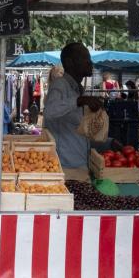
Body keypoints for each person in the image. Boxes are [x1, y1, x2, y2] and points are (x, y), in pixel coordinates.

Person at [44, 43, 104, 180]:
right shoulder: (60, 85)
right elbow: (49, 111)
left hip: (79, 166)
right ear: (70, 62)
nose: (90, 63)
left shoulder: (77, 89)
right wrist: (79, 101)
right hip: (66, 168)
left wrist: (108, 142)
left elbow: (80, 130)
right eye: (85, 58)